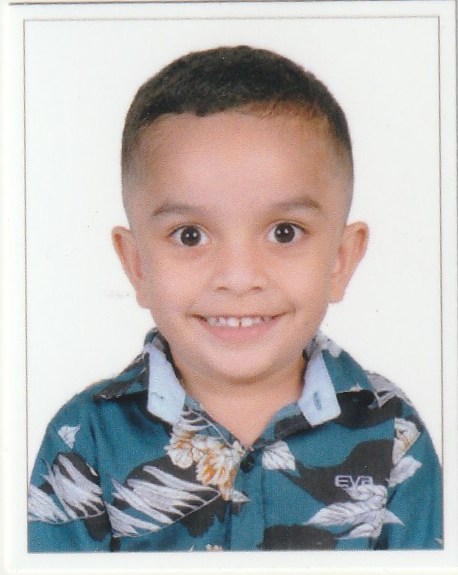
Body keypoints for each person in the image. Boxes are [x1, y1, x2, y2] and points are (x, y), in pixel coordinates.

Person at [27, 45, 442, 552]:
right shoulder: (84, 441)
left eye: (284, 232)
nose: (239, 278)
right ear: (137, 266)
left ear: (340, 260)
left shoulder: (395, 434)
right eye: (190, 236)